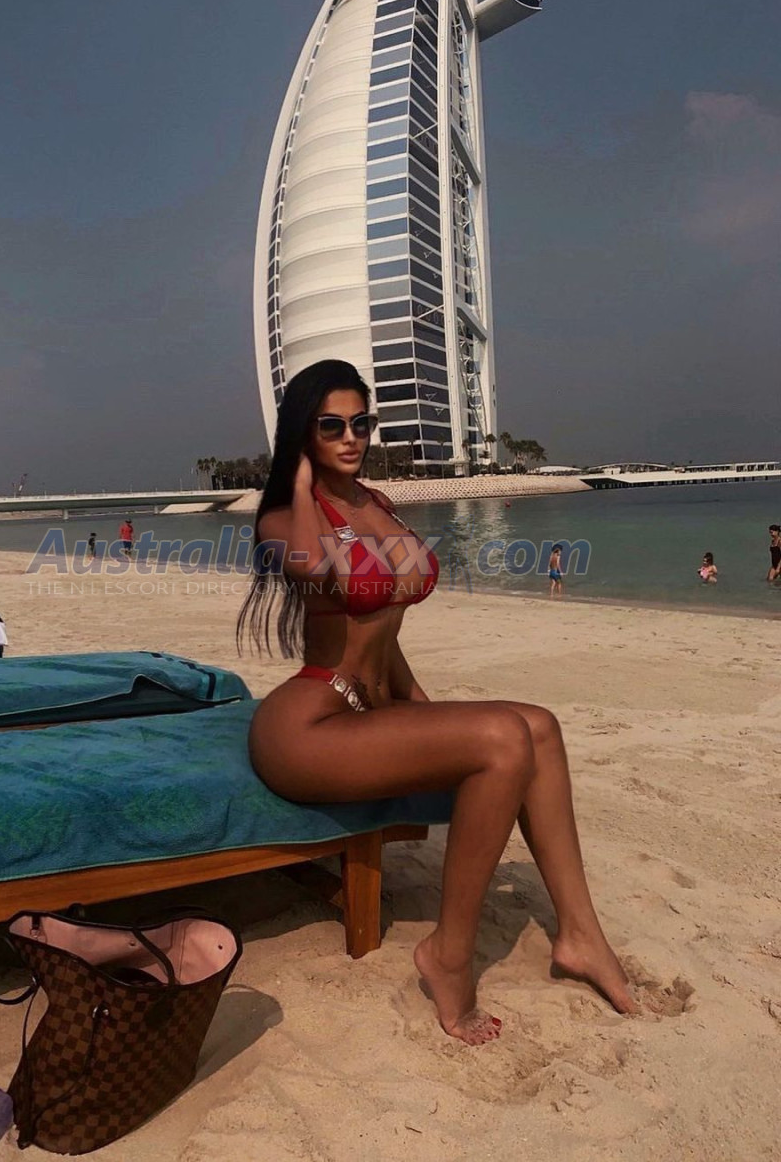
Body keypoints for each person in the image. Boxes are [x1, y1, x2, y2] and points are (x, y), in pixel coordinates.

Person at [236, 359, 634, 1046]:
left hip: (371, 708)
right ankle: (448, 957)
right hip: (308, 723)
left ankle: (580, 934)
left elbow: (382, 633)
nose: (351, 437)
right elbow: (316, 566)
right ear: (304, 432)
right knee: (502, 737)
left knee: (538, 727)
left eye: (361, 422)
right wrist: (300, 483)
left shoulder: (376, 504)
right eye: (330, 426)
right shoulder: (282, 518)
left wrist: (424, 709)